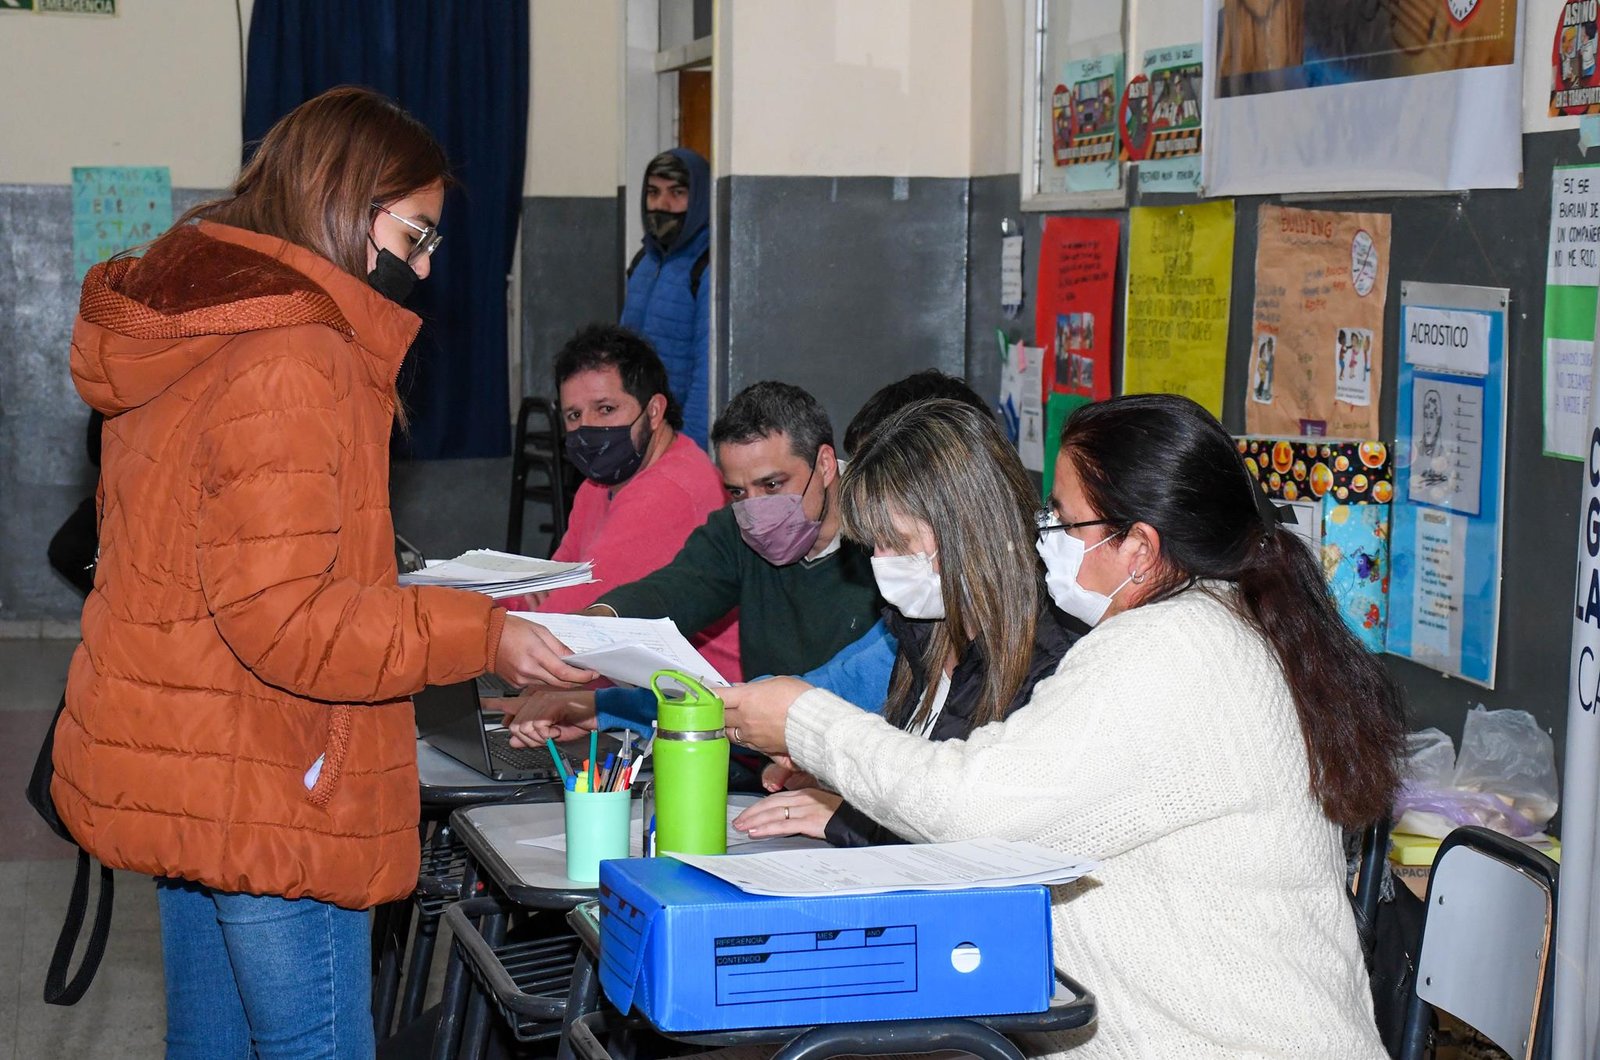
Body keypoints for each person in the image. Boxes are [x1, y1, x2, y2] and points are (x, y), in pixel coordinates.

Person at [54, 86, 580, 1058]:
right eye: (416, 234)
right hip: (271, 779)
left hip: (194, 758)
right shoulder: (297, 351)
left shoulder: (199, 324)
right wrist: (486, 631)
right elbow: (290, 624)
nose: (424, 265)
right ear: (346, 202)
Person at [720, 393, 1405, 1058]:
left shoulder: (1170, 650)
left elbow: (976, 805)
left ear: (1138, 547)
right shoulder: (1209, 625)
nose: (1044, 536)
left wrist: (805, 720)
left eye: (1066, 519)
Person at [730, 400, 1081, 847]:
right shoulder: (922, 635)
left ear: (969, 530)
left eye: (897, 542)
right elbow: (911, 776)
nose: (880, 563)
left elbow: (980, 828)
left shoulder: (1054, 661)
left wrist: (851, 820)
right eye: (873, 545)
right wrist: (836, 780)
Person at [503, 381, 881, 746]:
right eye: (737, 492)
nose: (756, 509)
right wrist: (587, 630)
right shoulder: (736, 531)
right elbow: (673, 591)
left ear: (826, 464)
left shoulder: (887, 540)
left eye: (772, 485)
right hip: (752, 748)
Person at [504, 323, 739, 680]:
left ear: (655, 411)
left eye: (606, 409)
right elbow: (548, 592)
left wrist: (477, 633)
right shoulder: (599, 486)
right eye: (574, 415)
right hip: (628, 683)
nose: (588, 428)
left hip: (699, 702)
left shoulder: (668, 490)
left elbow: (566, 626)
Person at [621, 148, 711, 448]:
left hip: (680, 435)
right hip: (640, 430)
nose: (663, 204)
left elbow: (706, 372)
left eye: (677, 192)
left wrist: (692, 449)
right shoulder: (643, 263)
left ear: (698, 198)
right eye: (653, 192)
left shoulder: (706, 266)